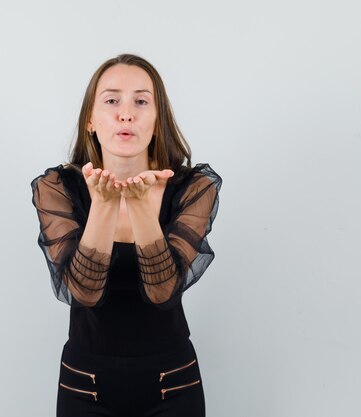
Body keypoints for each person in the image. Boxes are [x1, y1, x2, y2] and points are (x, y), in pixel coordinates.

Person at [30, 53, 222, 417]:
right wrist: (103, 204)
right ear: (91, 118)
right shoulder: (57, 187)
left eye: (141, 101)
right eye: (112, 99)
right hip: (85, 384)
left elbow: (163, 291)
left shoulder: (193, 187)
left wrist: (138, 207)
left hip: (173, 383)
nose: (126, 113)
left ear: (157, 118)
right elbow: (83, 293)